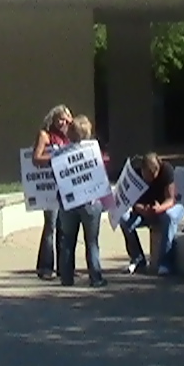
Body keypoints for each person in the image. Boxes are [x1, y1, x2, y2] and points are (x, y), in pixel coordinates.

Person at [53, 114, 108, 288]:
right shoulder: (95, 151)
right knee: (92, 242)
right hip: (90, 203)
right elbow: (102, 175)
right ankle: (96, 278)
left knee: (68, 240)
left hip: (68, 202)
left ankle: (66, 278)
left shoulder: (61, 153)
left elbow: (57, 176)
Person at [121, 153, 184, 276]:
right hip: (145, 210)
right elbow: (130, 201)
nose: (147, 179)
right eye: (145, 175)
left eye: (151, 175)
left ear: (157, 170)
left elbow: (171, 199)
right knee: (124, 219)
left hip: (168, 207)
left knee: (169, 217)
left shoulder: (167, 170)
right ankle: (138, 258)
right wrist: (142, 209)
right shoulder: (136, 173)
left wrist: (159, 208)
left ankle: (165, 263)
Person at [31, 105, 73, 281]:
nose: (63, 122)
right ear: (53, 120)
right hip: (49, 188)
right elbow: (36, 158)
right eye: (60, 119)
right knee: (51, 226)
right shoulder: (45, 136)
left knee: (64, 227)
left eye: (66, 119)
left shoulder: (69, 137)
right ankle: (45, 267)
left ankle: (64, 267)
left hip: (66, 188)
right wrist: (55, 157)